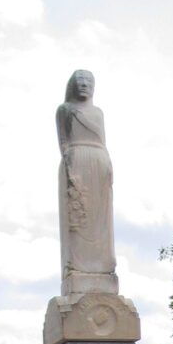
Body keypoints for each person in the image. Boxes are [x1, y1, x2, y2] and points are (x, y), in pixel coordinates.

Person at [56, 70, 116, 278]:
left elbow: (103, 141)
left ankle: (103, 265)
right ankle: (77, 266)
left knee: (101, 215)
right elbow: (63, 142)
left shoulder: (98, 113)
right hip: (76, 161)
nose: (83, 84)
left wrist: (108, 164)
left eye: (88, 81)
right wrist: (69, 165)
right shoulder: (65, 110)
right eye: (79, 80)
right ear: (73, 84)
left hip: (99, 161)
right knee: (78, 216)